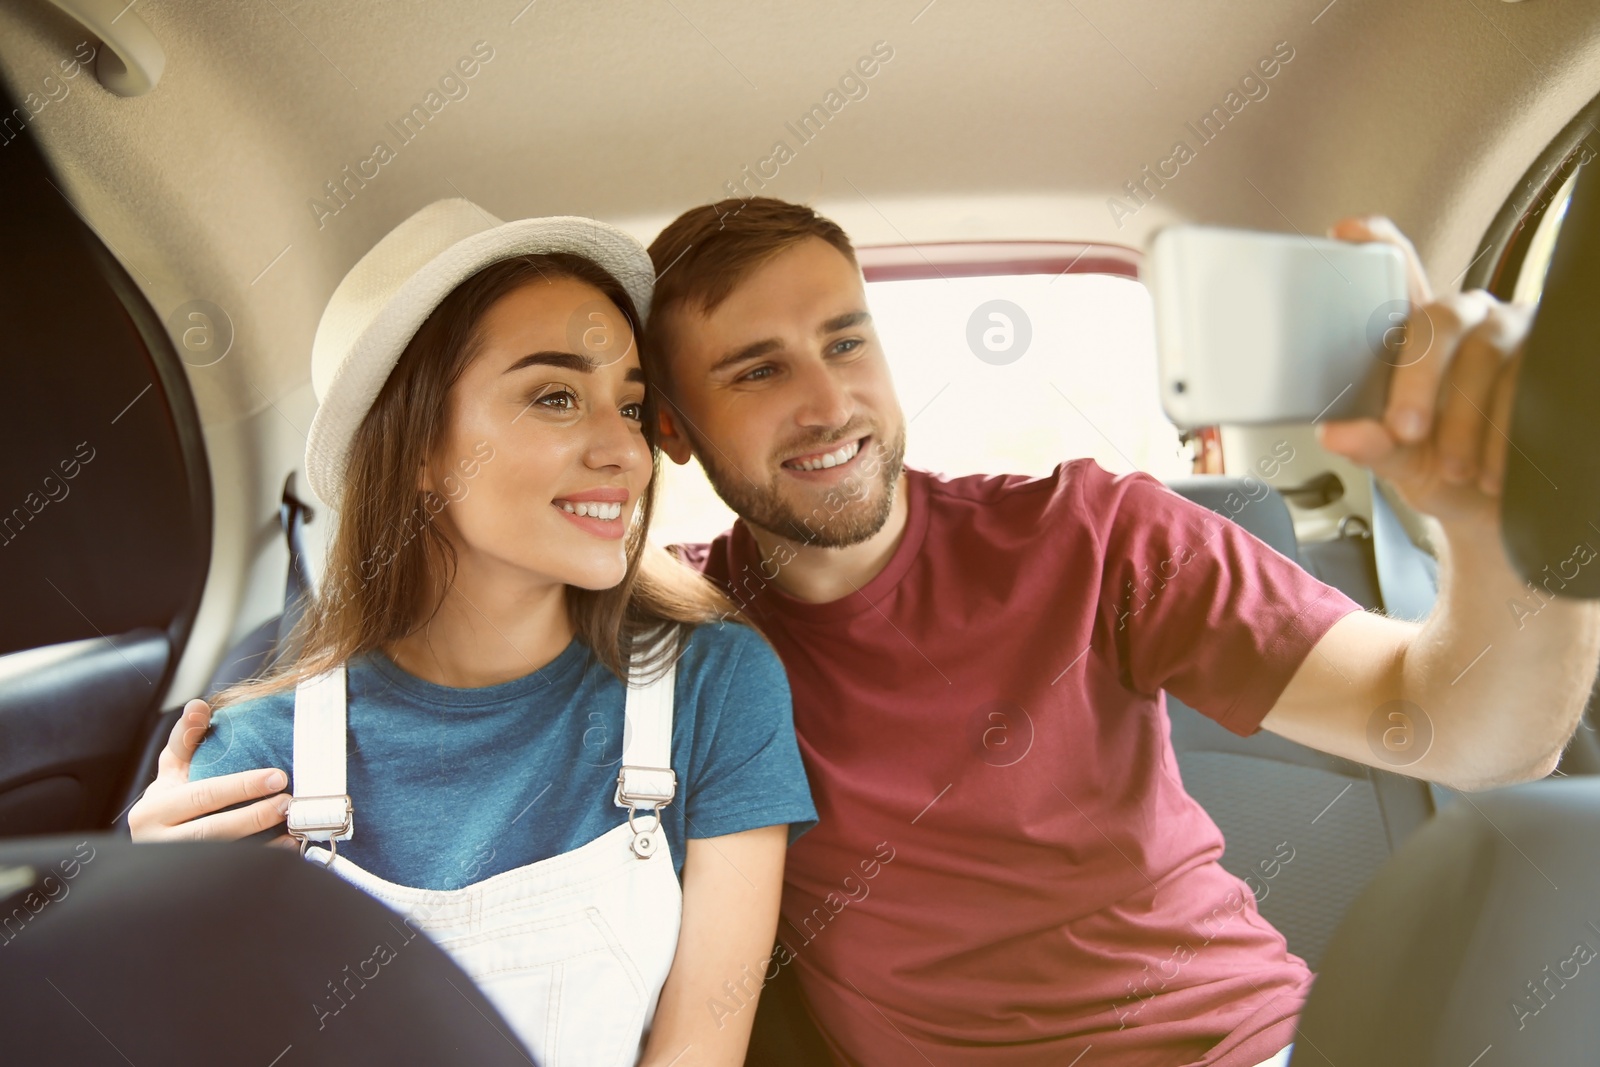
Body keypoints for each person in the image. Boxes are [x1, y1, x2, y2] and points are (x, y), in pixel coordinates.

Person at [138, 197, 1600, 1066]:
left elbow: (1472, 729)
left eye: (847, 339)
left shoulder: (1093, 533)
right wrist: (152, 897)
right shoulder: (681, 649)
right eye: (757, 370)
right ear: (694, 437)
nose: (829, 400)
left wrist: (1503, 525)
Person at [129, 199, 817, 1067]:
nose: (628, 454)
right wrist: (141, 922)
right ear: (417, 446)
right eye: (557, 396)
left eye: (633, 407)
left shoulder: (715, 685)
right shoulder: (258, 757)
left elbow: (697, 1050)